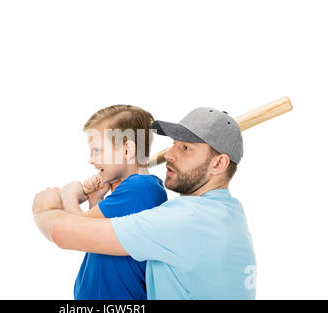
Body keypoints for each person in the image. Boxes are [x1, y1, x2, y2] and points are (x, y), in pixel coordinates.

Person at [33, 107, 256, 299]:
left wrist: (44, 207)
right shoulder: (229, 214)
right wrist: (96, 198)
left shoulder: (185, 219)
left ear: (219, 164)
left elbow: (62, 233)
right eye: (173, 144)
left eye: (186, 148)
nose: (169, 155)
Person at [61, 105, 167, 300]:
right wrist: (95, 199)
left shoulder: (140, 189)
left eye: (97, 151)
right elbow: (96, 237)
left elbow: (74, 230)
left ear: (127, 150)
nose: (91, 160)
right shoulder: (136, 189)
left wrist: (69, 195)